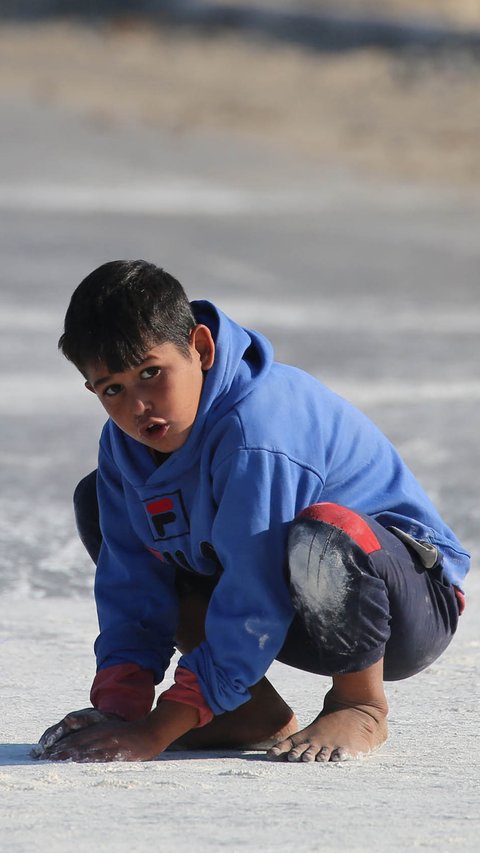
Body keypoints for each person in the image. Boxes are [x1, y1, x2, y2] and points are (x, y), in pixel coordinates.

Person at [33, 259, 469, 764]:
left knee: (324, 532)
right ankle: (246, 710)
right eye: (113, 388)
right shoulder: (124, 446)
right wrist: (121, 708)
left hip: (403, 607)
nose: (138, 406)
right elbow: (130, 585)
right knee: (100, 506)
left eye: (152, 373)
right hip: (290, 602)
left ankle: (360, 703)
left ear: (200, 348)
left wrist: (158, 732)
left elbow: (254, 593)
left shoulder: (257, 430)